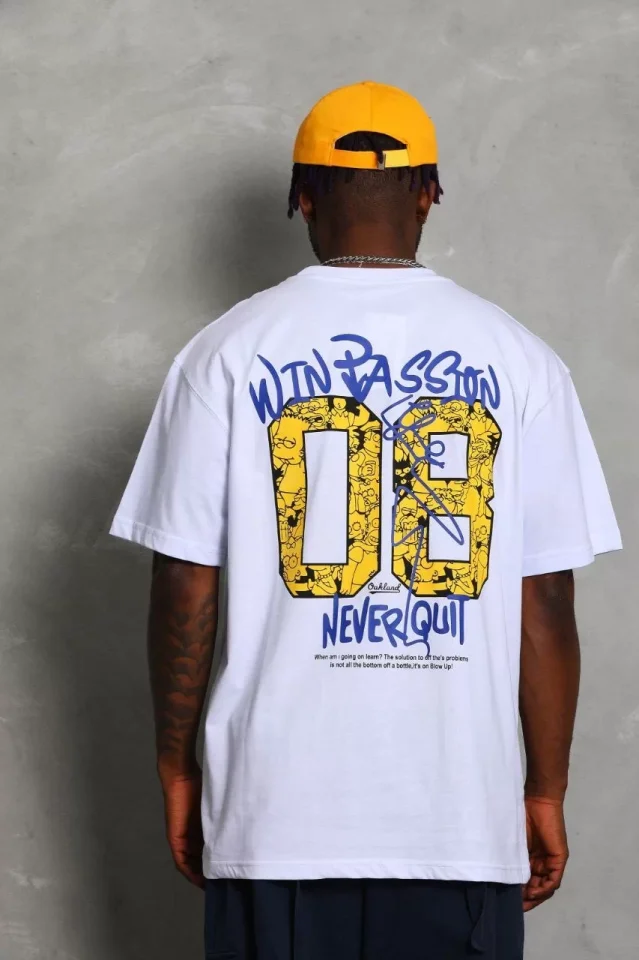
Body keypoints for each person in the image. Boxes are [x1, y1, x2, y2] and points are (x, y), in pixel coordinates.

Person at [110, 81, 622, 959]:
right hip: (457, 821)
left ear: (301, 197)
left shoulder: (223, 353)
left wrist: (177, 765)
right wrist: (542, 791)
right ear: (429, 192)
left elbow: (186, 580)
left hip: (274, 817)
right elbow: (542, 600)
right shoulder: (522, 360)